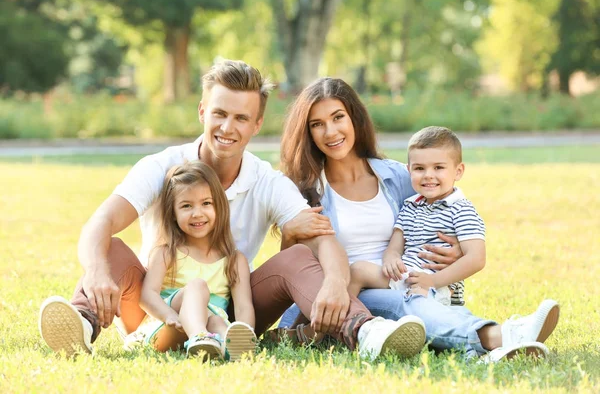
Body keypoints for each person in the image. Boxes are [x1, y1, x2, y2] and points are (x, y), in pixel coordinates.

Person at [38, 60, 427, 361]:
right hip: (156, 307)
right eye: (220, 113)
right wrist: (95, 271)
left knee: (296, 256)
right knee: (108, 246)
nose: (228, 126)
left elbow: (323, 241)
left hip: (231, 316)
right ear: (202, 111)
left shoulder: (267, 180)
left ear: (257, 124)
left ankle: (365, 331)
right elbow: (100, 222)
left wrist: (334, 283)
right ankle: (83, 323)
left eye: (242, 117)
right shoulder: (161, 166)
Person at [278, 77, 560, 362]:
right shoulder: (305, 191)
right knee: (408, 300)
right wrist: (290, 234)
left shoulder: (399, 176)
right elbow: (293, 267)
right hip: (347, 292)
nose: (331, 131)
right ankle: (499, 336)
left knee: (418, 298)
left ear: (355, 118)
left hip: (406, 278)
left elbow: (446, 210)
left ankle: (487, 353)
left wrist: (459, 249)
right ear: (308, 132)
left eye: (338, 117)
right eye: (317, 124)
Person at [348, 126, 486, 308]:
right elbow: (394, 247)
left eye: (438, 168)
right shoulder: (410, 205)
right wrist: (391, 259)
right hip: (405, 276)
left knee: (417, 302)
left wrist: (432, 281)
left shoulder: (461, 209)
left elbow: (476, 258)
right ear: (409, 170)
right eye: (420, 168)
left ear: (458, 171)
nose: (429, 175)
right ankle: (340, 320)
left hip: (440, 286)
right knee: (357, 270)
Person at [133, 160, 254, 361]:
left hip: (212, 327)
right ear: (173, 214)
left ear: (219, 206)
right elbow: (147, 296)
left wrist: (245, 331)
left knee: (216, 321)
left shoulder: (234, 260)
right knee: (197, 287)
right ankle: (198, 336)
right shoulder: (166, 253)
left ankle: (230, 346)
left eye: (206, 203)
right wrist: (169, 316)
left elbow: (243, 307)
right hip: (168, 327)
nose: (197, 213)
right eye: (186, 206)